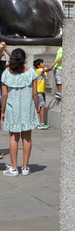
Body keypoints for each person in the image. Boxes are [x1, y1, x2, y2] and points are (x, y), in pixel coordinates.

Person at [1, 47, 40, 177]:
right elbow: (35, 93)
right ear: (25, 59)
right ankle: (25, 167)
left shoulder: (6, 74)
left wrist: (2, 111)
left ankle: (13, 168)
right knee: (27, 137)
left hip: (12, 109)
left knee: (14, 137)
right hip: (27, 108)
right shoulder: (31, 73)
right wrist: (37, 107)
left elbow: (4, 95)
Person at [34, 59, 49, 129]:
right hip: (39, 91)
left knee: (43, 106)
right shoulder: (38, 70)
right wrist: (57, 61)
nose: (43, 64)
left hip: (42, 91)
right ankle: (41, 123)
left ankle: (41, 123)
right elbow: (49, 68)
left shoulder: (43, 70)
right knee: (42, 106)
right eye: (42, 63)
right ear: (38, 65)